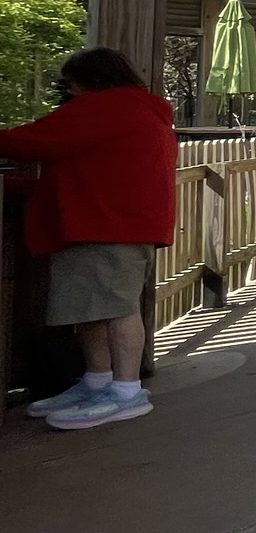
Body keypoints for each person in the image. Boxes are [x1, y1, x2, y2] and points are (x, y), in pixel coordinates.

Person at [0, 47, 176, 430]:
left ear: (88, 80)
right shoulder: (140, 110)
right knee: (91, 309)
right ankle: (98, 381)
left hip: (108, 225)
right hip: (110, 221)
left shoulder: (105, 109)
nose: (66, 91)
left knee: (116, 308)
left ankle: (126, 390)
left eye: (68, 83)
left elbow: (28, 141)